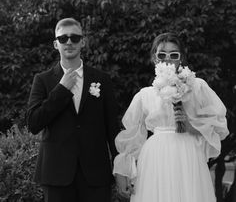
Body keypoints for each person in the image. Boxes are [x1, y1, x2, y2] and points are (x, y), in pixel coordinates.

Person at [114, 32, 229, 202]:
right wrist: (122, 172)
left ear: (181, 58)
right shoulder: (144, 95)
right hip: (155, 157)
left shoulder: (197, 87)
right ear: (154, 58)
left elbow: (218, 125)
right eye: (161, 54)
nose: (167, 59)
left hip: (188, 154)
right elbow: (132, 137)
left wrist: (191, 125)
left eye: (174, 54)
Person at [27, 18, 119, 202]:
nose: (69, 42)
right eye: (63, 38)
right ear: (55, 44)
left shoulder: (102, 79)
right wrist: (61, 90)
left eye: (75, 38)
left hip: (96, 174)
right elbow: (33, 123)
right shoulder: (42, 80)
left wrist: (121, 167)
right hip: (56, 174)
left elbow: (112, 129)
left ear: (83, 42)